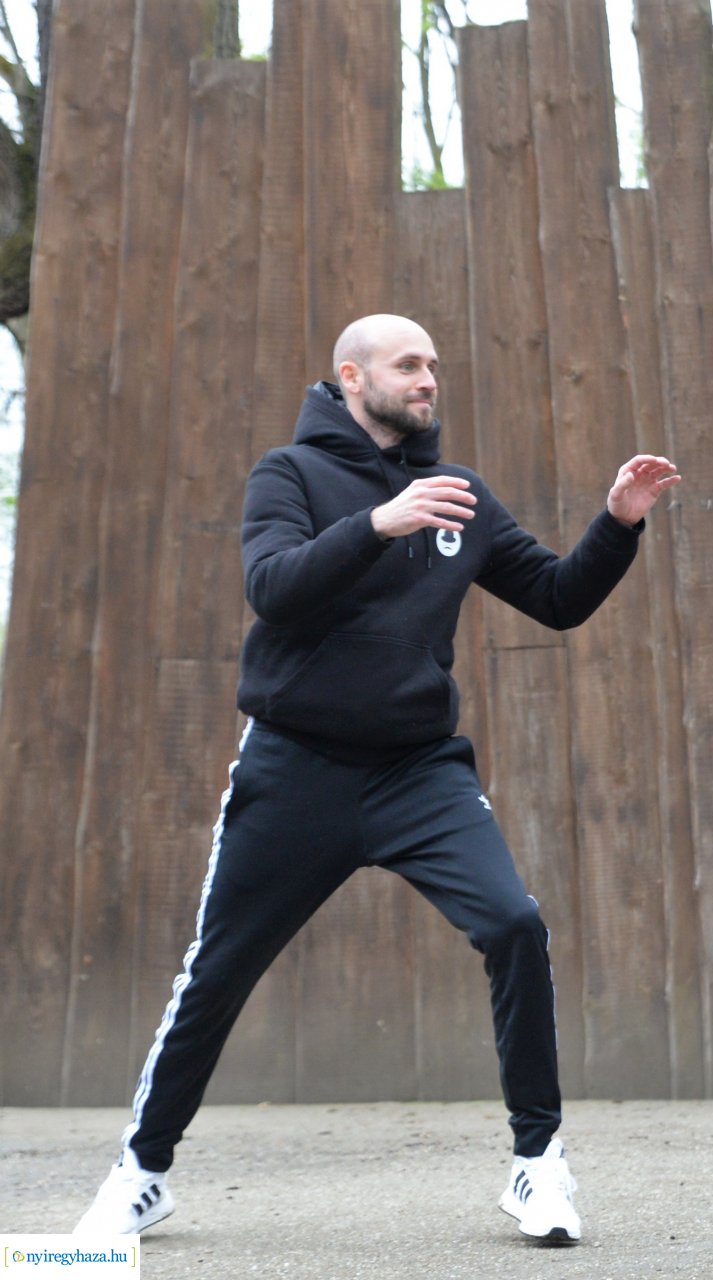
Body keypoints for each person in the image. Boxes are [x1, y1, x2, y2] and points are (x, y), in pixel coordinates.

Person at [74, 314, 680, 1245]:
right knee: (218, 969)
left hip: (416, 771)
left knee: (514, 925)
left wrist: (618, 524)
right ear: (353, 378)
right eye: (408, 365)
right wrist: (374, 525)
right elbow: (272, 587)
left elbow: (558, 599)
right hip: (295, 767)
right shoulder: (288, 473)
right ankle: (142, 1175)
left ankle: (538, 1164)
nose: (429, 379)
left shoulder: (458, 495)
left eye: (434, 364)